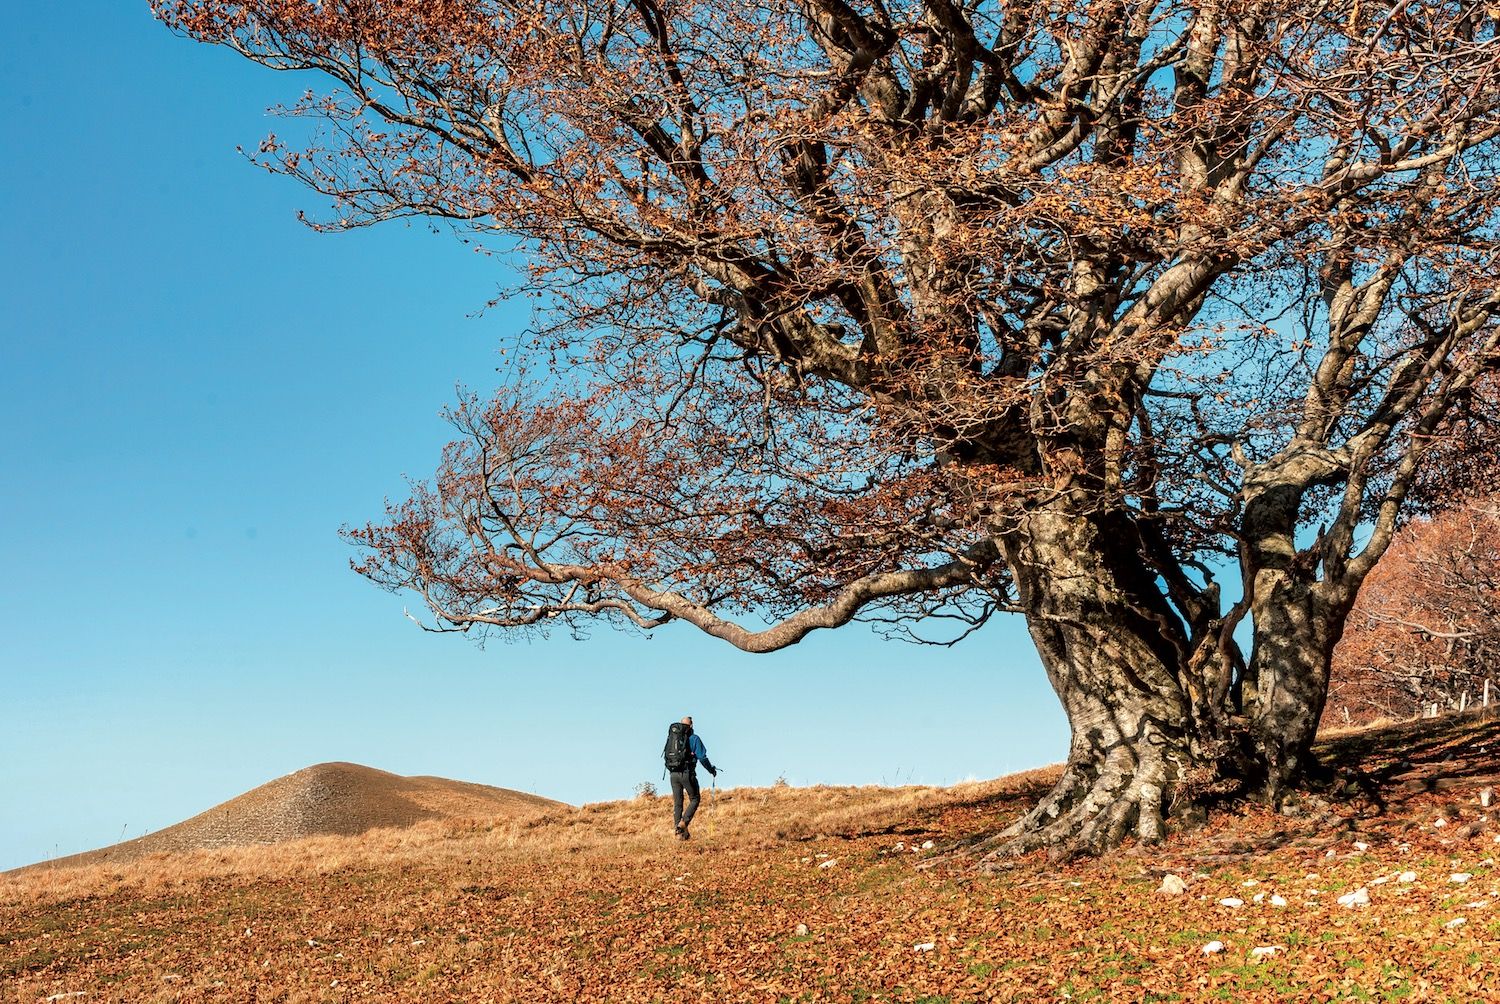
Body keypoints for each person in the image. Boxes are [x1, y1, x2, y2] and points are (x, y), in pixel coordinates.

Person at [666, 715, 717, 840]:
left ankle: (679, 834)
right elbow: (702, 757)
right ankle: (683, 823)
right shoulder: (694, 738)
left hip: (673, 774)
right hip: (686, 773)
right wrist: (711, 770)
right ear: (692, 725)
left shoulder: (673, 738)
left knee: (678, 803)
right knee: (695, 798)